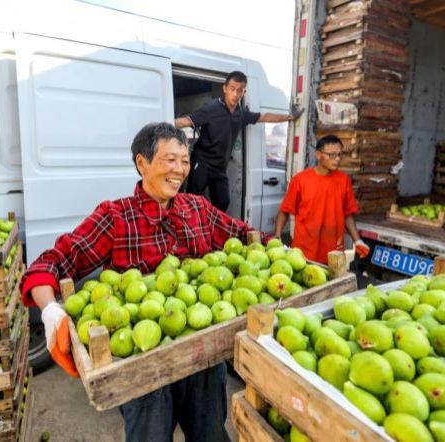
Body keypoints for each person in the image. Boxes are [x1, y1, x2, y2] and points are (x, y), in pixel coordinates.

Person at [20, 122, 264, 442]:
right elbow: (51, 262)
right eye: (169, 160)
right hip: (142, 368)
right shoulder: (115, 216)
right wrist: (50, 309)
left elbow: (249, 239)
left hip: (202, 358)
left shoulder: (198, 208)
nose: (179, 169)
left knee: (210, 434)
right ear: (142, 163)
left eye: (184, 160)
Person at [175, 70, 302, 211]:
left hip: (219, 167)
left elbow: (264, 117)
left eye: (240, 90)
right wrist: (161, 123)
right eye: (232, 89)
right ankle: (188, 229)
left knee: (223, 202)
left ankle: (213, 230)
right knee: (191, 200)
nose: (235, 94)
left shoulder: (241, 114)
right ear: (225, 89)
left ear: (244, 92)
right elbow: (186, 121)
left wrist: (289, 117)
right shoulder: (211, 108)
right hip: (202, 162)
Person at [274, 134, 370, 264]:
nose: (337, 159)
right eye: (332, 155)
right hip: (304, 253)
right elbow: (284, 211)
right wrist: (278, 237)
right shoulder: (300, 180)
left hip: (333, 253)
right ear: (318, 155)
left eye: (339, 155)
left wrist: (357, 240)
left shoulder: (343, 180)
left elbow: (347, 214)